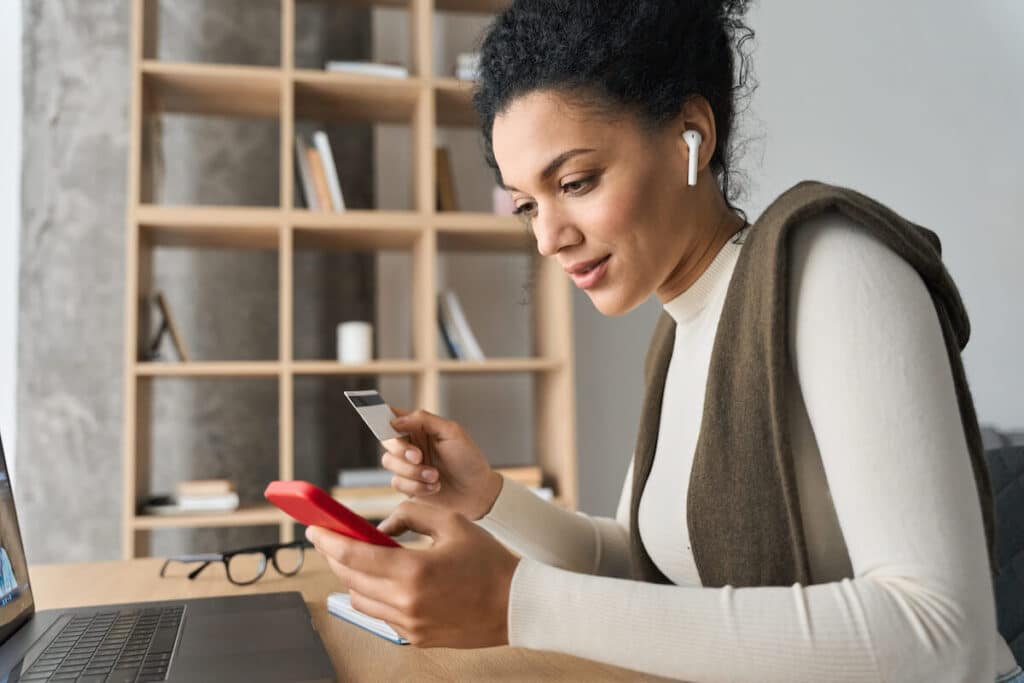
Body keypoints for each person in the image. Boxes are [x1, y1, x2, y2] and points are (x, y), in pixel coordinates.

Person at [304, 1, 1021, 680]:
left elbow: (941, 636)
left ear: (692, 137)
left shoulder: (833, 264)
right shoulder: (681, 331)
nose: (549, 237)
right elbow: (648, 567)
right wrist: (488, 497)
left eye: (577, 181)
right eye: (526, 205)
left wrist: (518, 603)